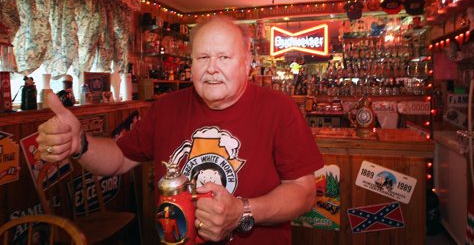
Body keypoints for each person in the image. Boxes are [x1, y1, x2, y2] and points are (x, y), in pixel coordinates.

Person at [36, 17, 324, 244]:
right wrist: (81, 144)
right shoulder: (166, 107)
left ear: (247, 63)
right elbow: (119, 158)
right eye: (203, 58)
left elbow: (303, 192)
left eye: (224, 57)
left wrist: (241, 211)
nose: (212, 68)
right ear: (192, 63)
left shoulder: (279, 108)